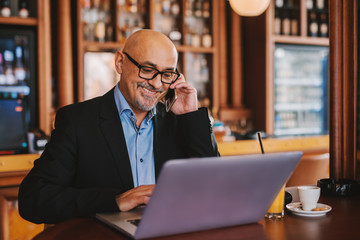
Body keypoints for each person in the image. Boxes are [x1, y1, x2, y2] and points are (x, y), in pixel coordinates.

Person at [18, 29, 219, 224]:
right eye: (148, 70)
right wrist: (115, 200)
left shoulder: (180, 121)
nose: (157, 84)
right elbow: (34, 198)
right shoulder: (77, 120)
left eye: (167, 74)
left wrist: (191, 116)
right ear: (120, 62)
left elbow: (215, 189)